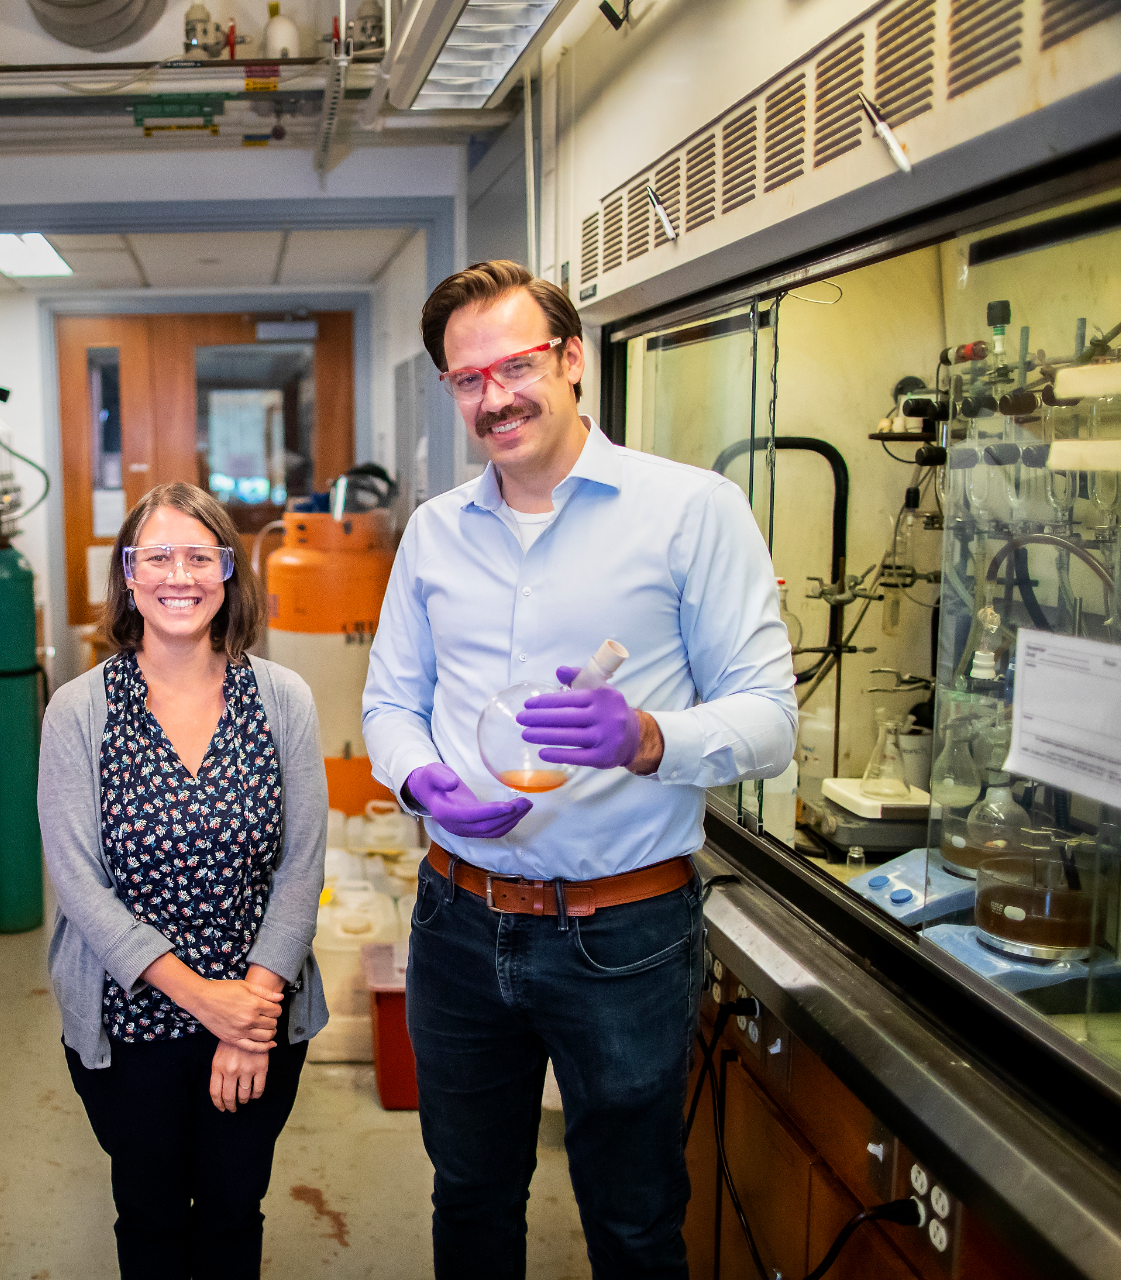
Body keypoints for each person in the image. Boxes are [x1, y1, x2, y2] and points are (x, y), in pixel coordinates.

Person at [362, 261, 796, 1278]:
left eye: (515, 365)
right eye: (467, 378)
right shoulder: (434, 532)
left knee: (635, 1216)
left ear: (570, 360)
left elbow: (771, 718)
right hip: (457, 920)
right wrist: (426, 783)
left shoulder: (691, 511)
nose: (495, 397)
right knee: (468, 1195)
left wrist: (646, 736)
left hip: (623, 933)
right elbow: (390, 703)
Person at [39, 482, 329, 1280]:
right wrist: (208, 1001)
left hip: (259, 1014)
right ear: (128, 576)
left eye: (200, 556)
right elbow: (78, 882)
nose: (180, 574)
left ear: (229, 573)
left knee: (235, 1213)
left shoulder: (282, 701)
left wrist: (250, 1012)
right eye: (157, 556)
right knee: (152, 1218)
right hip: (129, 1021)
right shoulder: (79, 711)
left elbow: (301, 867)